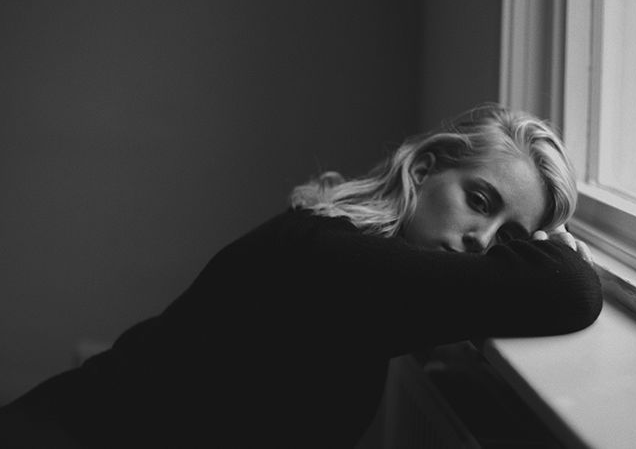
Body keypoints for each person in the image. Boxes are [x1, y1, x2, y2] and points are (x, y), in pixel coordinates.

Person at [0, 103, 602, 448]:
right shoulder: (334, 261)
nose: (484, 242)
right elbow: (570, 292)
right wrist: (556, 257)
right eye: (479, 200)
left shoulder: (347, 249)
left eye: (512, 237)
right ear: (424, 168)